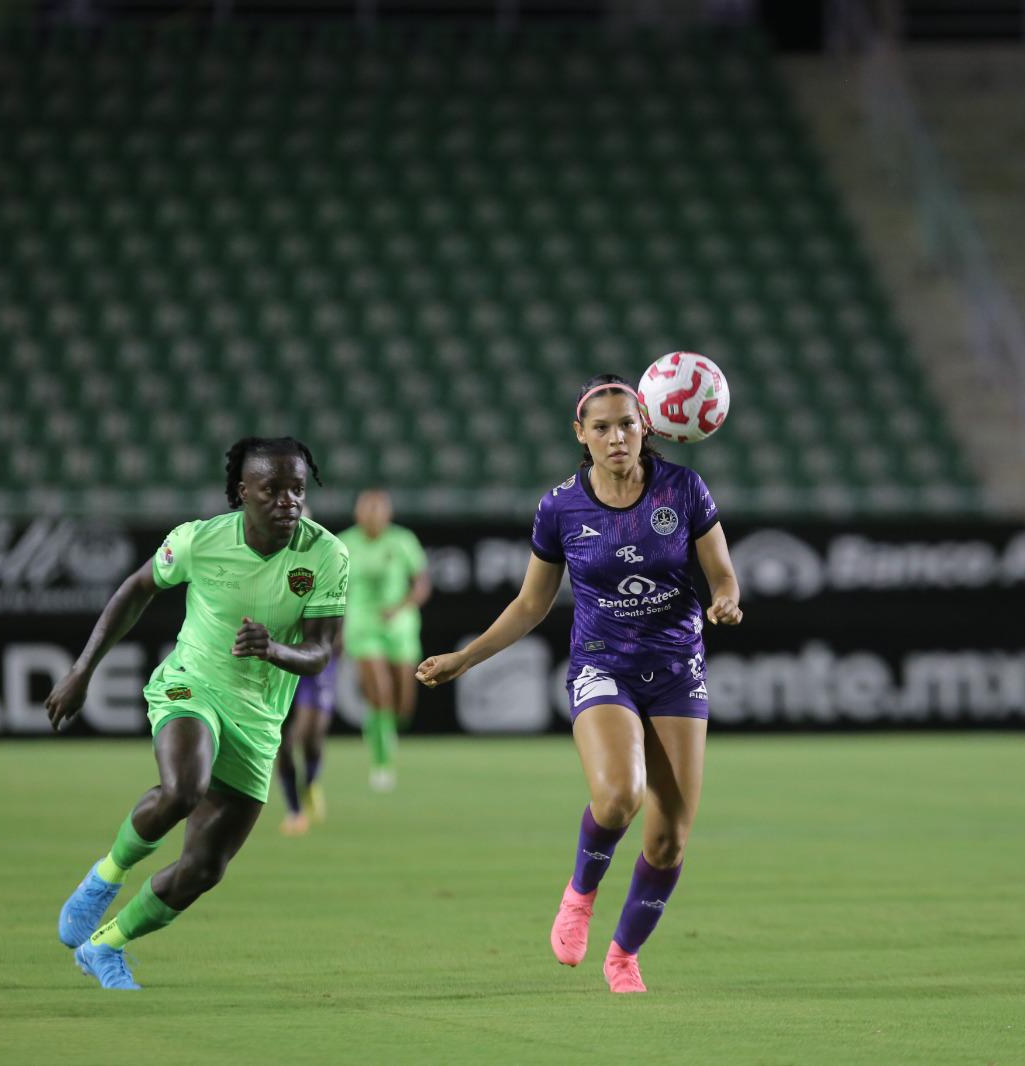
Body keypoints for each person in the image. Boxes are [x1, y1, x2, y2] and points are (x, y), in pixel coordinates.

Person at [416, 373, 742, 994]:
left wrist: (725, 600)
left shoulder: (683, 488)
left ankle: (623, 955)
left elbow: (722, 574)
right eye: (601, 427)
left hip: (677, 669)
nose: (616, 437)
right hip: (602, 663)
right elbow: (531, 604)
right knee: (620, 796)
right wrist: (465, 658)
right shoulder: (560, 507)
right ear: (581, 435)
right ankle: (580, 893)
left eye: (626, 424)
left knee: (670, 840)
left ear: (646, 425)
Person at [46, 437, 349, 989]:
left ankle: (105, 946)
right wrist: (82, 670)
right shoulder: (200, 540)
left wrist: (274, 649)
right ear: (243, 492)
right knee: (184, 788)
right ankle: (104, 878)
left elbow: (323, 650)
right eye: (273, 489)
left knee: (204, 870)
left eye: (298, 490)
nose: (289, 502)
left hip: (258, 718)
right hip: (191, 686)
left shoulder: (326, 554)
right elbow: (136, 589)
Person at [339, 489, 430, 791]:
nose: (372, 518)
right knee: (380, 690)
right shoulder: (345, 543)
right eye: (367, 511)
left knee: (402, 704)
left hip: (400, 627)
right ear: (358, 514)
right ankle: (381, 763)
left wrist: (401, 608)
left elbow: (421, 584)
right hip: (363, 624)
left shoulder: (402, 541)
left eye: (378, 511)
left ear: (387, 515)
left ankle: (383, 729)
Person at [275, 655, 339, 836]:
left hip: (311, 661)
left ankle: (311, 782)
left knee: (311, 738)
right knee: (282, 743)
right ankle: (294, 811)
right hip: (280, 663)